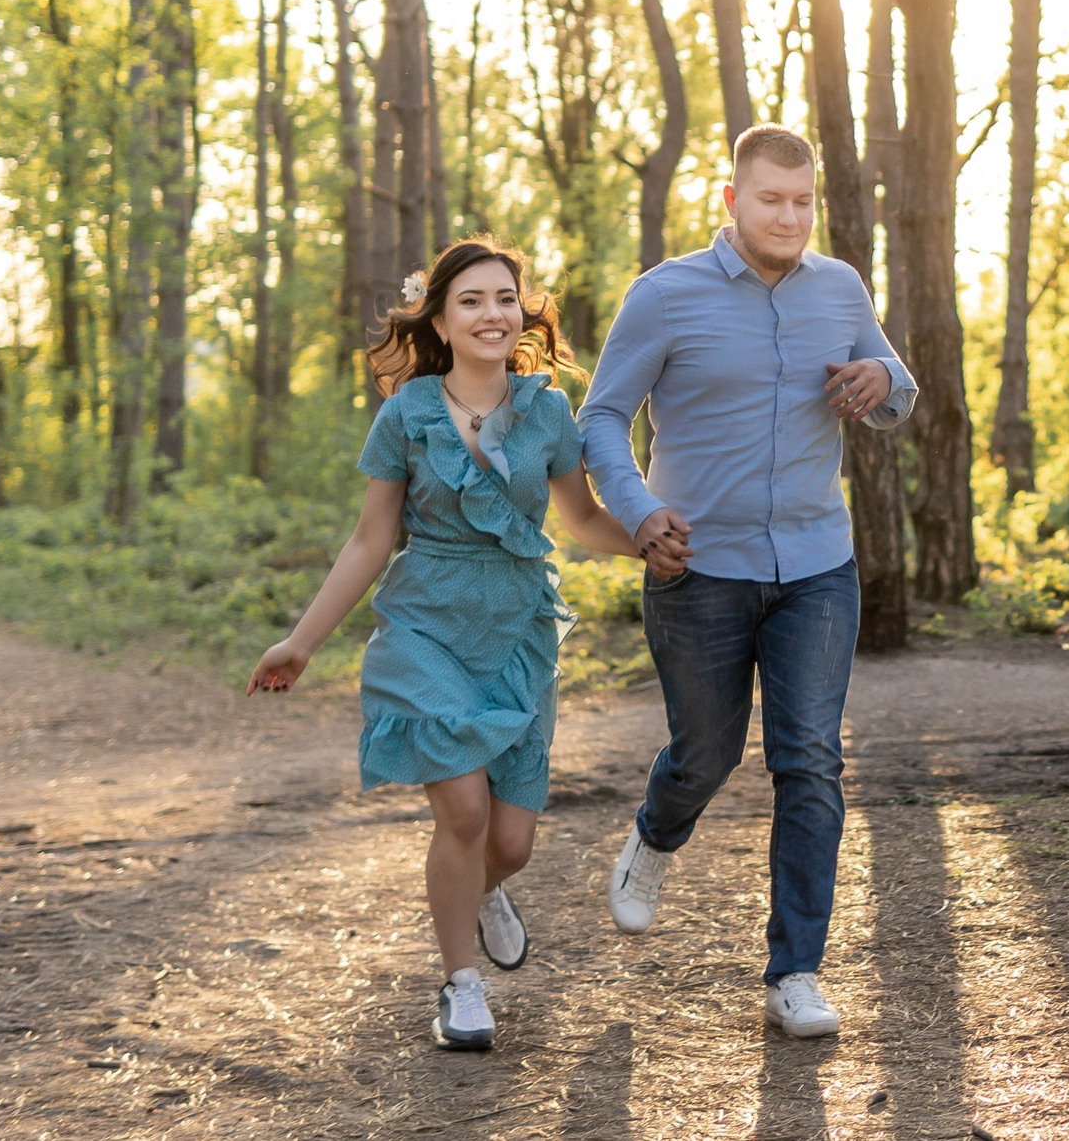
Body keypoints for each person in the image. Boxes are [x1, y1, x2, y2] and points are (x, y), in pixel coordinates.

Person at [248, 238, 640, 1052]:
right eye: (471, 300)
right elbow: (368, 541)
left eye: (504, 297)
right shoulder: (407, 413)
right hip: (425, 626)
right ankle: (460, 985)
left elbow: (584, 520)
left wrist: (656, 541)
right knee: (462, 811)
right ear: (440, 316)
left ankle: (481, 892)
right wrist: (302, 641)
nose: (492, 313)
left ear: (521, 312)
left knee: (510, 843)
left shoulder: (547, 410)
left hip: (518, 631)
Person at [580, 124, 914, 1040]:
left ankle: (795, 970)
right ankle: (656, 831)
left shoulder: (840, 287)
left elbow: (900, 392)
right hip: (699, 569)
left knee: (809, 760)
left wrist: (877, 374)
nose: (790, 216)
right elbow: (602, 417)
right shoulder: (664, 296)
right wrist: (639, 510)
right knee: (708, 754)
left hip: (817, 567)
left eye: (804, 200)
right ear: (732, 201)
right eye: (772, 199)